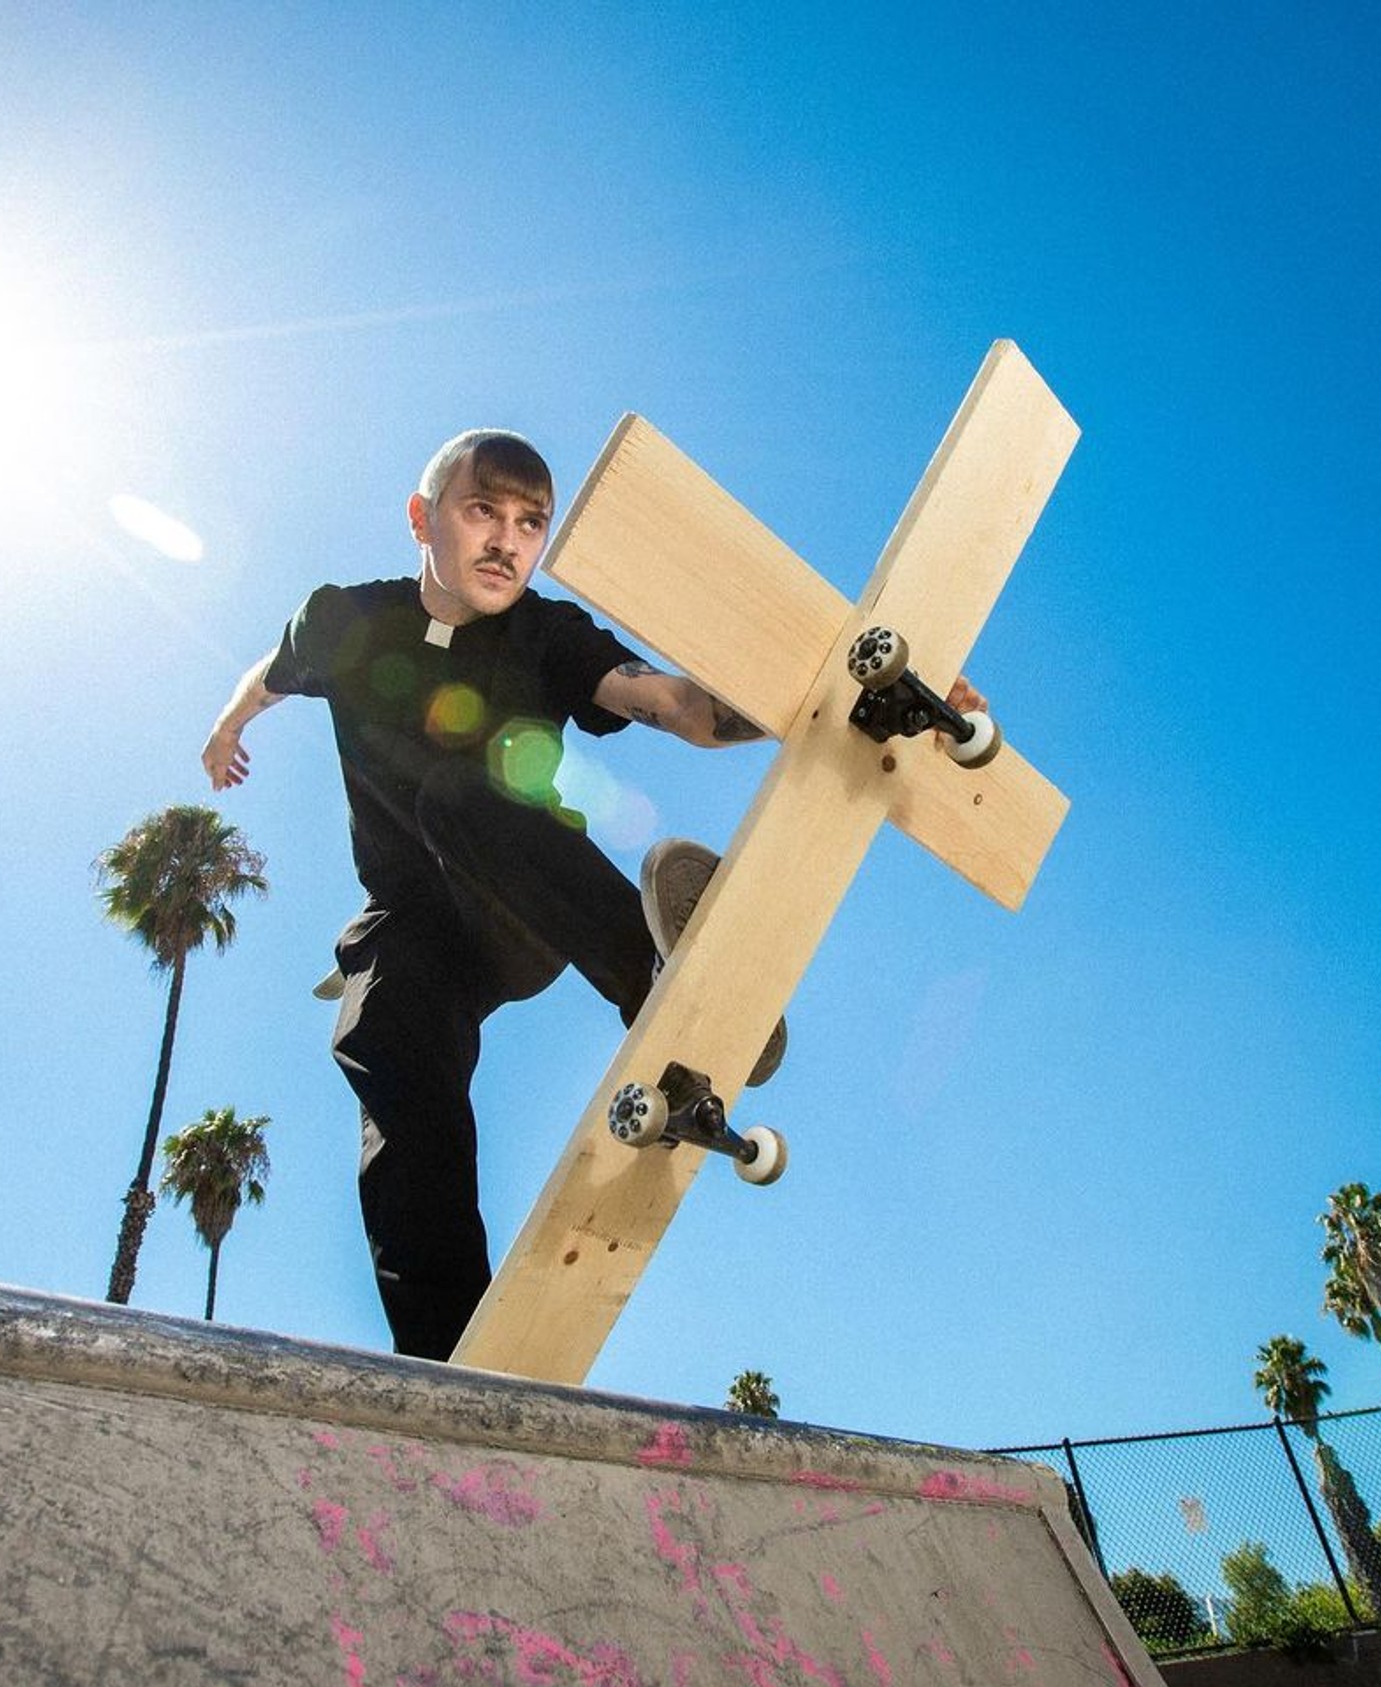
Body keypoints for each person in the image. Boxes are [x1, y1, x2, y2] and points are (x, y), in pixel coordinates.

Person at [202, 428, 978, 1361]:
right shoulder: (343, 620)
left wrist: (855, 698)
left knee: (460, 792)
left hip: (518, 901)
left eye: (530, 523)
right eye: (482, 512)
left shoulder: (546, 633)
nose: (507, 543)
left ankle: (648, 971)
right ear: (422, 518)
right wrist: (229, 726)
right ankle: (450, 1362)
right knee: (383, 1040)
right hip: (410, 924)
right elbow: (271, 673)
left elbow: (673, 704)